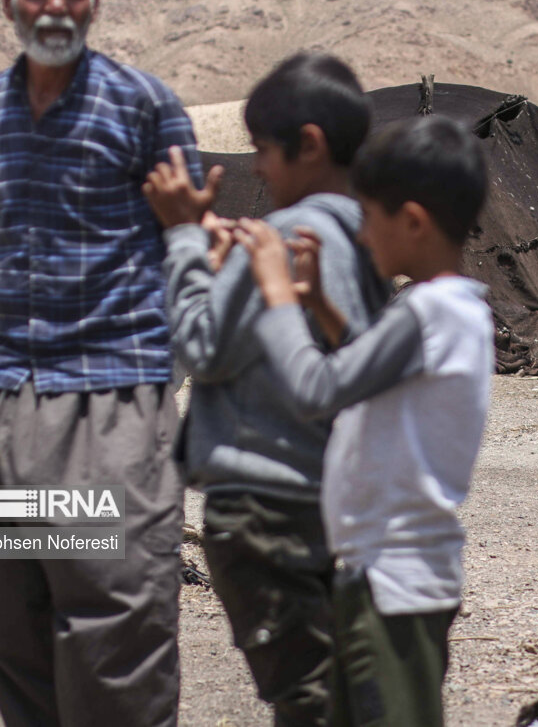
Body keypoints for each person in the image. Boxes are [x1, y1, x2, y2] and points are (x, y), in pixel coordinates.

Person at [0, 0, 203, 726]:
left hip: (105, 409)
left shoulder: (145, 106)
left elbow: (186, 237)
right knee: (6, 618)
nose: (54, 7)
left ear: (92, 3)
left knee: (110, 634)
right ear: (9, 1)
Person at [143, 52, 389, 725]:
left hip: (266, 513)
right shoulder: (366, 240)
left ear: (308, 145)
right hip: (332, 503)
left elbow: (202, 346)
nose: (255, 168)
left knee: (305, 698)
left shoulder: (286, 237)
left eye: (262, 150)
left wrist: (187, 242)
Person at [233, 114, 492, 727]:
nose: (362, 235)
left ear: (412, 222)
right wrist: (319, 301)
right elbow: (368, 365)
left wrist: (274, 298)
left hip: (395, 583)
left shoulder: (427, 312)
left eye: (369, 218)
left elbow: (318, 387)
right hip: (379, 574)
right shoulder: (449, 311)